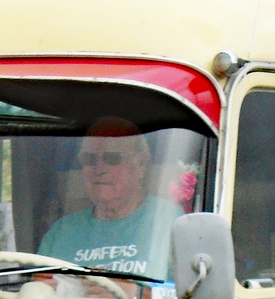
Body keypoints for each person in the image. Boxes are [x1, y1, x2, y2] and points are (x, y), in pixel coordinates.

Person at [38, 117, 182, 282]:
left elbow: (191, 295)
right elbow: (37, 293)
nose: (99, 170)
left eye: (112, 159)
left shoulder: (171, 222)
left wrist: (136, 295)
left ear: (140, 164)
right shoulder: (61, 232)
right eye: (89, 160)